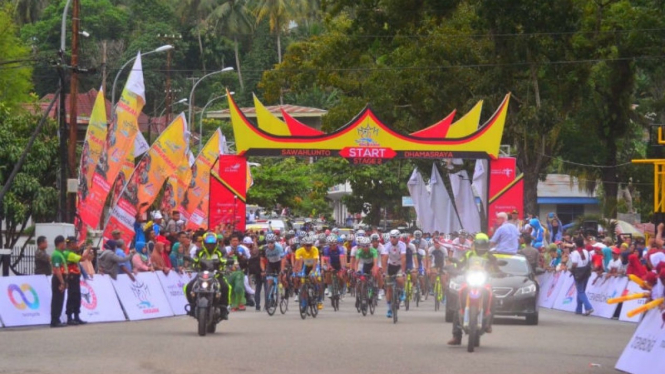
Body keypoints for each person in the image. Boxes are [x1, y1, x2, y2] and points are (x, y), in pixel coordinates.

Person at [448, 233, 499, 345]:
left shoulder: (490, 256)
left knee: (493, 298)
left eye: (483, 245)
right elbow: (460, 264)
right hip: (469, 282)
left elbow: (496, 268)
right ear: (475, 244)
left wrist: (498, 272)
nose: (481, 247)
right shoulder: (468, 254)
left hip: (484, 283)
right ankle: (456, 335)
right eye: (479, 244)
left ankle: (488, 324)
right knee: (458, 304)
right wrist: (454, 269)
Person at [184, 232, 230, 320]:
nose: (210, 246)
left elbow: (225, 260)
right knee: (188, 287)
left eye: (212, 245)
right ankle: (193, 307)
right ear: (204, 244)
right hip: (202, 275)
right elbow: (194, 261)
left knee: (225, 287)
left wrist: (224, 264)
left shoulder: (221, 251)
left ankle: (224, 309)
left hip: (216, 275)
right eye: (208, 245)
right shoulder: (199, 251)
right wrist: (192, 266)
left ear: (216, 243)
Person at [64, 237, 91, 325]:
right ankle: (70, 318)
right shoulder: (68, 254)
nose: (76, 244)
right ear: (71, 244)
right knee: (72, 296)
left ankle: (76, 316)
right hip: (71, 277)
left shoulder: (71, 252)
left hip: (75, 277)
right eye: (75, 243)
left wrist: (80, 247)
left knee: (77, 297)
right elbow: (82, 258)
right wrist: (88, 249)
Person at [381, 229, 406, 319]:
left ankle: (402, 291)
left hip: (399, 265)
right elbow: (384, 259)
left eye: (394, 237)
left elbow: (403, 258)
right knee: (389, 288)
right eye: (391, 237)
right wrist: (384, 272)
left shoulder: (402, 245)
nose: (392, 239)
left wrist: (403, 272)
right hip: (390, 266)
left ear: (398, 238)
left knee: (400, 279)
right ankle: (389, 308)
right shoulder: (387, 246)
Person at [294, 235, 323, 310]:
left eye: (310, 245)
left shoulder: (315, 249)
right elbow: (297, 262)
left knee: (316, 279)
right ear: (303, 245)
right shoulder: (299, 251)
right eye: (307, 245)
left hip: (315, 266)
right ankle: (304, 303)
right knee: (302, 282)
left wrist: (313, 272)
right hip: (306, 266)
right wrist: (295, 272)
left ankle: (319, 299)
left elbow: (315, 262)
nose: (309, 247)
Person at [261, 233, 285, 311]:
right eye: (269, 242)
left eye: (272, 242)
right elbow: (262, 261)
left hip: (278, 263)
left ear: (274, 242)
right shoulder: (264, 248)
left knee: (281, 278)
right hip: (270, 264)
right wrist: (263, 270)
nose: (270, 244)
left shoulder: (279, 247)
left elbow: (283, 260)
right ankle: (270, 300)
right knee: (270, 282)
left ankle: (283, 294)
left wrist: (282, 270)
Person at [570, 236, 594, 316]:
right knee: (581, 290)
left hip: (578, 272)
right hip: (586, 272)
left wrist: (572, 269)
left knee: (580, 291)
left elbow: (574, 264)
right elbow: (590, 261)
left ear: (576, 244)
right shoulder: (587, 252)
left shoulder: (575, 253)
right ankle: (579, 309)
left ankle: (588, 307)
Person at [225, 235, 250, 311]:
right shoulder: (226, 249)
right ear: (230, 241)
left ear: (239, 241)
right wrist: (229, 255)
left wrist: (240, 256)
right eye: (233, 240)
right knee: (231, 288)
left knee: (238, 287)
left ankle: (241, 303)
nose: (235, 242)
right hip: (228, 271)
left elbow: (248, 258)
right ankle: (233, 305)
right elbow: (222, 258)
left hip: (239, 271)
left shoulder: (243, 248)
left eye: (236, 240)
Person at [50, 236, 68, 328]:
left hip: (61, 278)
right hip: (58, 279)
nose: (65, 244)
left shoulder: (61, 254)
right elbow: (57, 269)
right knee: (57, 299)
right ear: (60, 243)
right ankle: (54, 320)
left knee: (60, 299)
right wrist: (62, 282)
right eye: (64, 243)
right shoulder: (56, 255)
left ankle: (57, 319)